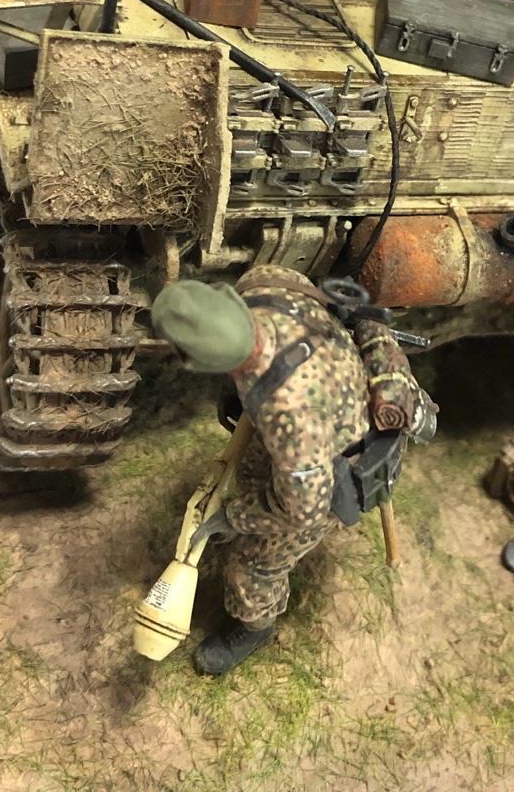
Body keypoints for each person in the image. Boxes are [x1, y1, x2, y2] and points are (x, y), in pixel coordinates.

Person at [150, 263, 437, 676]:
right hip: (338, 393)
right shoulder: (269, 284)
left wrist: (234, 517)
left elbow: (304, 509)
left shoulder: (291, 419)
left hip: (342, 457)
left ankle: (255, 626)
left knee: (250, 567)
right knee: (258, 474)